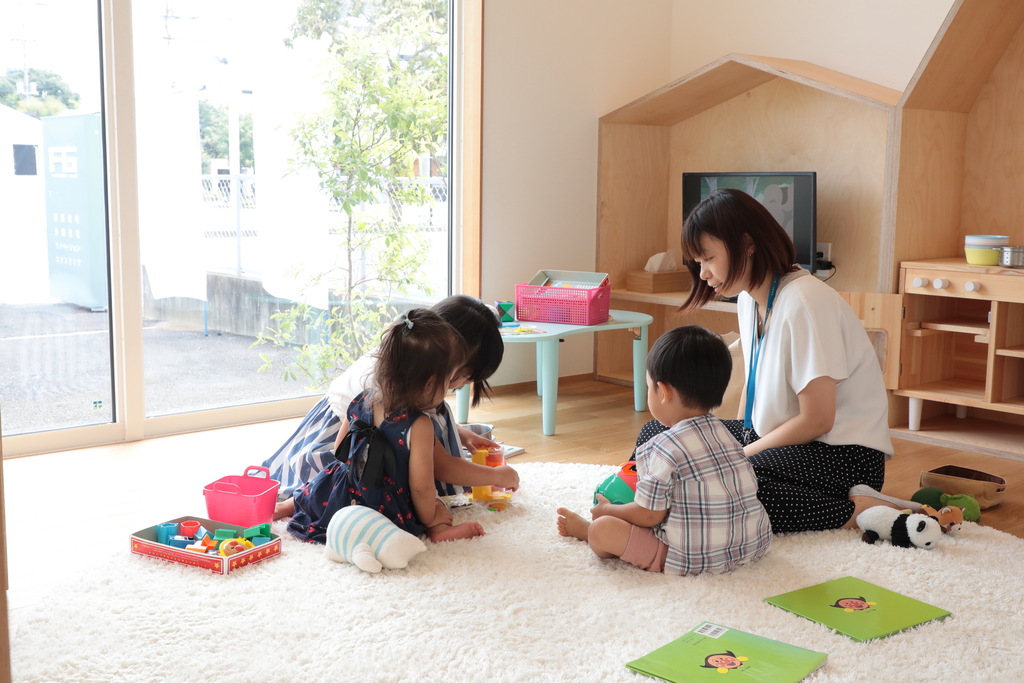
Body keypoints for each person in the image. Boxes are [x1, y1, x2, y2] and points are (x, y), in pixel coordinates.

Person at [635, 188, 907, 533]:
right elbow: (753, 387)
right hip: (775, 437)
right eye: (699, 263)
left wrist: (734, 457)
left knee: (736, 482)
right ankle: (658, 501)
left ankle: (856, 511)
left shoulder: (806, 301)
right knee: (657, 434)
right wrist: (728, 442)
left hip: (840, 454)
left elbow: (817, 420)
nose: (703, 274)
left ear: (747, 244)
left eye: (708, 259)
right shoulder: (748, 300)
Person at [281, 309, 516, 544]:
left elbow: (340, 451)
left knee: (323, 482)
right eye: (449, 381)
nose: (450, 388)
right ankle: (439, 530)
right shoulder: (419, 425)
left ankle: (288, 506)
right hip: (378, 509)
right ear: (430, 382)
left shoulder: (363, 398)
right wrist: (434, 514)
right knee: (433, 502)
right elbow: (423, 487)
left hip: (340, 496)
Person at [556, 325, 771, 575]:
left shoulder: (663, 447)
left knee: (603, 529)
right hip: (751, 545)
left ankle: (586, 531)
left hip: (692, 557)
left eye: (650, 387)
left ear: (664, 392)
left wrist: (607, 510)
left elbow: (649, 516)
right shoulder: (728, 437)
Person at [263, 295, 505, 500]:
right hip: (341, 440)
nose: (460, 385)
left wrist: (460, 433)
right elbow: (441, 466)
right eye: (462, 376)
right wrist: (496, 476)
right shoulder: (393, 394)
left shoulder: (405, 356)